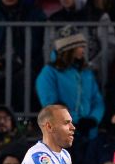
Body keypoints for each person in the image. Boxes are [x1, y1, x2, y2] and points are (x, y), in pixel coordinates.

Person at [36, 25, 104, 153]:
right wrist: (75, 121)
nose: (84, 49)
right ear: (69, 49)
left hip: (90, 134)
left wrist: (93, 119)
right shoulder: (49, 73)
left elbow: (97, 100)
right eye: (80, 46)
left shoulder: (86, 72)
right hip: (61, 137)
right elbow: (51, 105)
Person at [44, 0, 115, 73]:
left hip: (92, 74)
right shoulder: (54, 19)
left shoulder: (99, 17)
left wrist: (91, 67)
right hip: (62, 73)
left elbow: (109, 47)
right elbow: (48, 49)